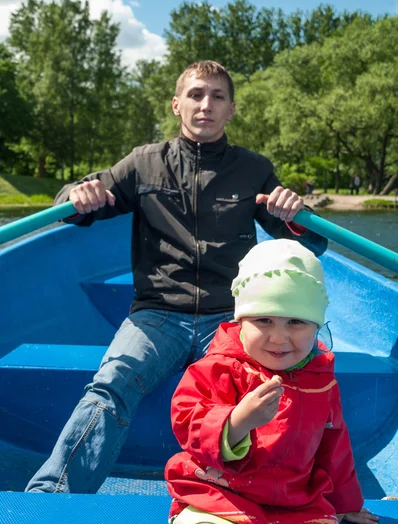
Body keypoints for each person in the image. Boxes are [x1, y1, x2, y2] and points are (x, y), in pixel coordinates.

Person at [25, 60, 327, 494]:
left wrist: (295, 216)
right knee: (112, 383)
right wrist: (76, 195)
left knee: (285, 385)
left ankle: (288, 494)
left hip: (231, 317)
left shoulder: (253, 169)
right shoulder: (143, 163)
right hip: (157, 316)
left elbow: (313, 240)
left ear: (231, 110)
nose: (206, 104)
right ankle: (53, 497)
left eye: (217, 96)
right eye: (196, 94)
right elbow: (71, 208)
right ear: (176, 104)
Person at [166, 239, 378, 524]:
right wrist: (236, 421)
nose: (278, 338)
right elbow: (187, 419)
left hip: (297, 506)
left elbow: (335, 448)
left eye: (295, 322)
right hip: (221, 495)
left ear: (317, 325)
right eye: (264, 320)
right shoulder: (219, 368)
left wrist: (346, 503)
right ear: (241, 322)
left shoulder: (321, 382)